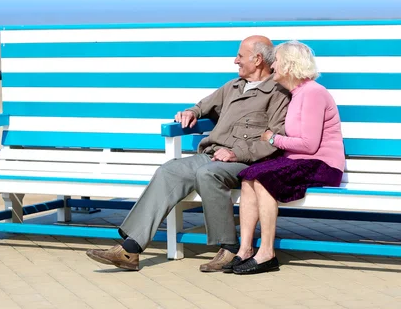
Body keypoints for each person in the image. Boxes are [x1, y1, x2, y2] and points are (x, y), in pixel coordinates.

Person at [86, 35, 290, 272]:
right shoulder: (232, 87)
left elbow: (275, 140)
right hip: (212, 155)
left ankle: (230, 247)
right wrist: (191, 113)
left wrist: (236, 153)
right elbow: (202, 106)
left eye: (240, 56)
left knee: (207, 174)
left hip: (245, 162)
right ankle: (130, 250)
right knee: (169, 170)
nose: (235, 61)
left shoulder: (278, 93)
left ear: (257, 59)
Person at [223, 40, 345, 275]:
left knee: (262, 179)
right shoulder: (297, 93)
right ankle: (245, 250)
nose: (273, 65)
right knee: (248, 175)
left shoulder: (313, 93)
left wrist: (272, 139)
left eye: (276, 61)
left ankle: (267, 253)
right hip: (299, 160)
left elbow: (309, 146)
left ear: (289, 65)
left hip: (322, 164)